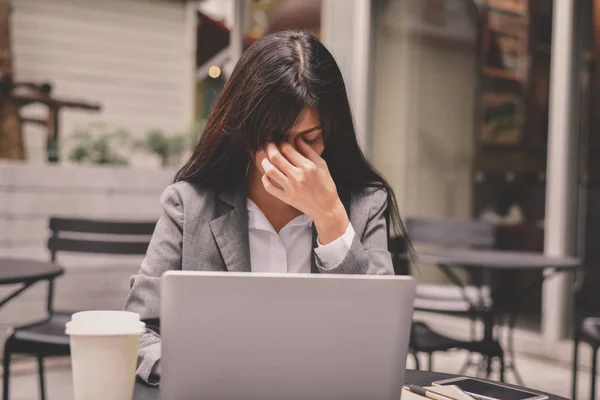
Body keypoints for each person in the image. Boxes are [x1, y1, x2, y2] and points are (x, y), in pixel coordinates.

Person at [125, 30, 408, 386]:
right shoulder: (189, 204)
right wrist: (201, 374)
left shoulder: (364, 205)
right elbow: (137, 332)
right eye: (273, 138)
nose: (290, 157)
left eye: (309, 139)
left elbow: (381, 340)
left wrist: (330, 217)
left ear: (331, 133)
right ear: (243, 130)